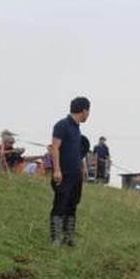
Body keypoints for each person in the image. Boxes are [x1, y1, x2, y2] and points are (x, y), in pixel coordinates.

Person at [48, 96, 91, 247]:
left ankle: (69, 236)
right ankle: (56, 238)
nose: (88, 115)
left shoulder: (77, 129)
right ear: (84, 110)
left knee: (73, 204)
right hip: (64, 173)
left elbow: (76, 151)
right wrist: (57, 170)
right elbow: (55, 147)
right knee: (60, 204)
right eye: (88, 111)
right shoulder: (62, 125)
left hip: (75, 173)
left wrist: (82, 167)